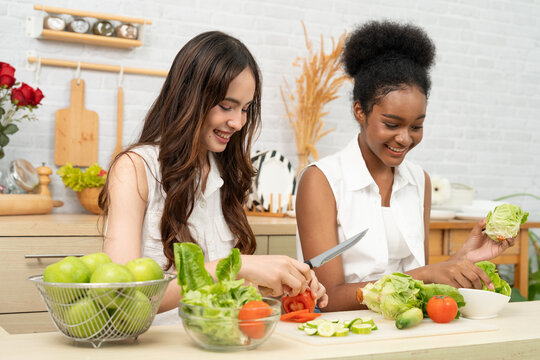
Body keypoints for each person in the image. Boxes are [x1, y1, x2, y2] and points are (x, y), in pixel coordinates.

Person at [100, 31, 327, 323]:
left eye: (245, 109)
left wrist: (284, 289)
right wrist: (235, 266)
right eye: (226, 106)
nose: (238, 122)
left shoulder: (226, 173)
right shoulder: (136, 168)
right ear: (188, 96)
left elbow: (227, 292)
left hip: (220, 343)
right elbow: (121, 296)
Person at [295, 21, 516, 312]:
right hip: (344, 338)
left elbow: (415, 280)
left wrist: (464, 258)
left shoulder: (417, 180)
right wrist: (425, 275)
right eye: (391, 124)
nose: (404, 138)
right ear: (360, 111)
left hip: (408, 329)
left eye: (417, 126)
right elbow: (328, 299)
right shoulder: (321, 180)